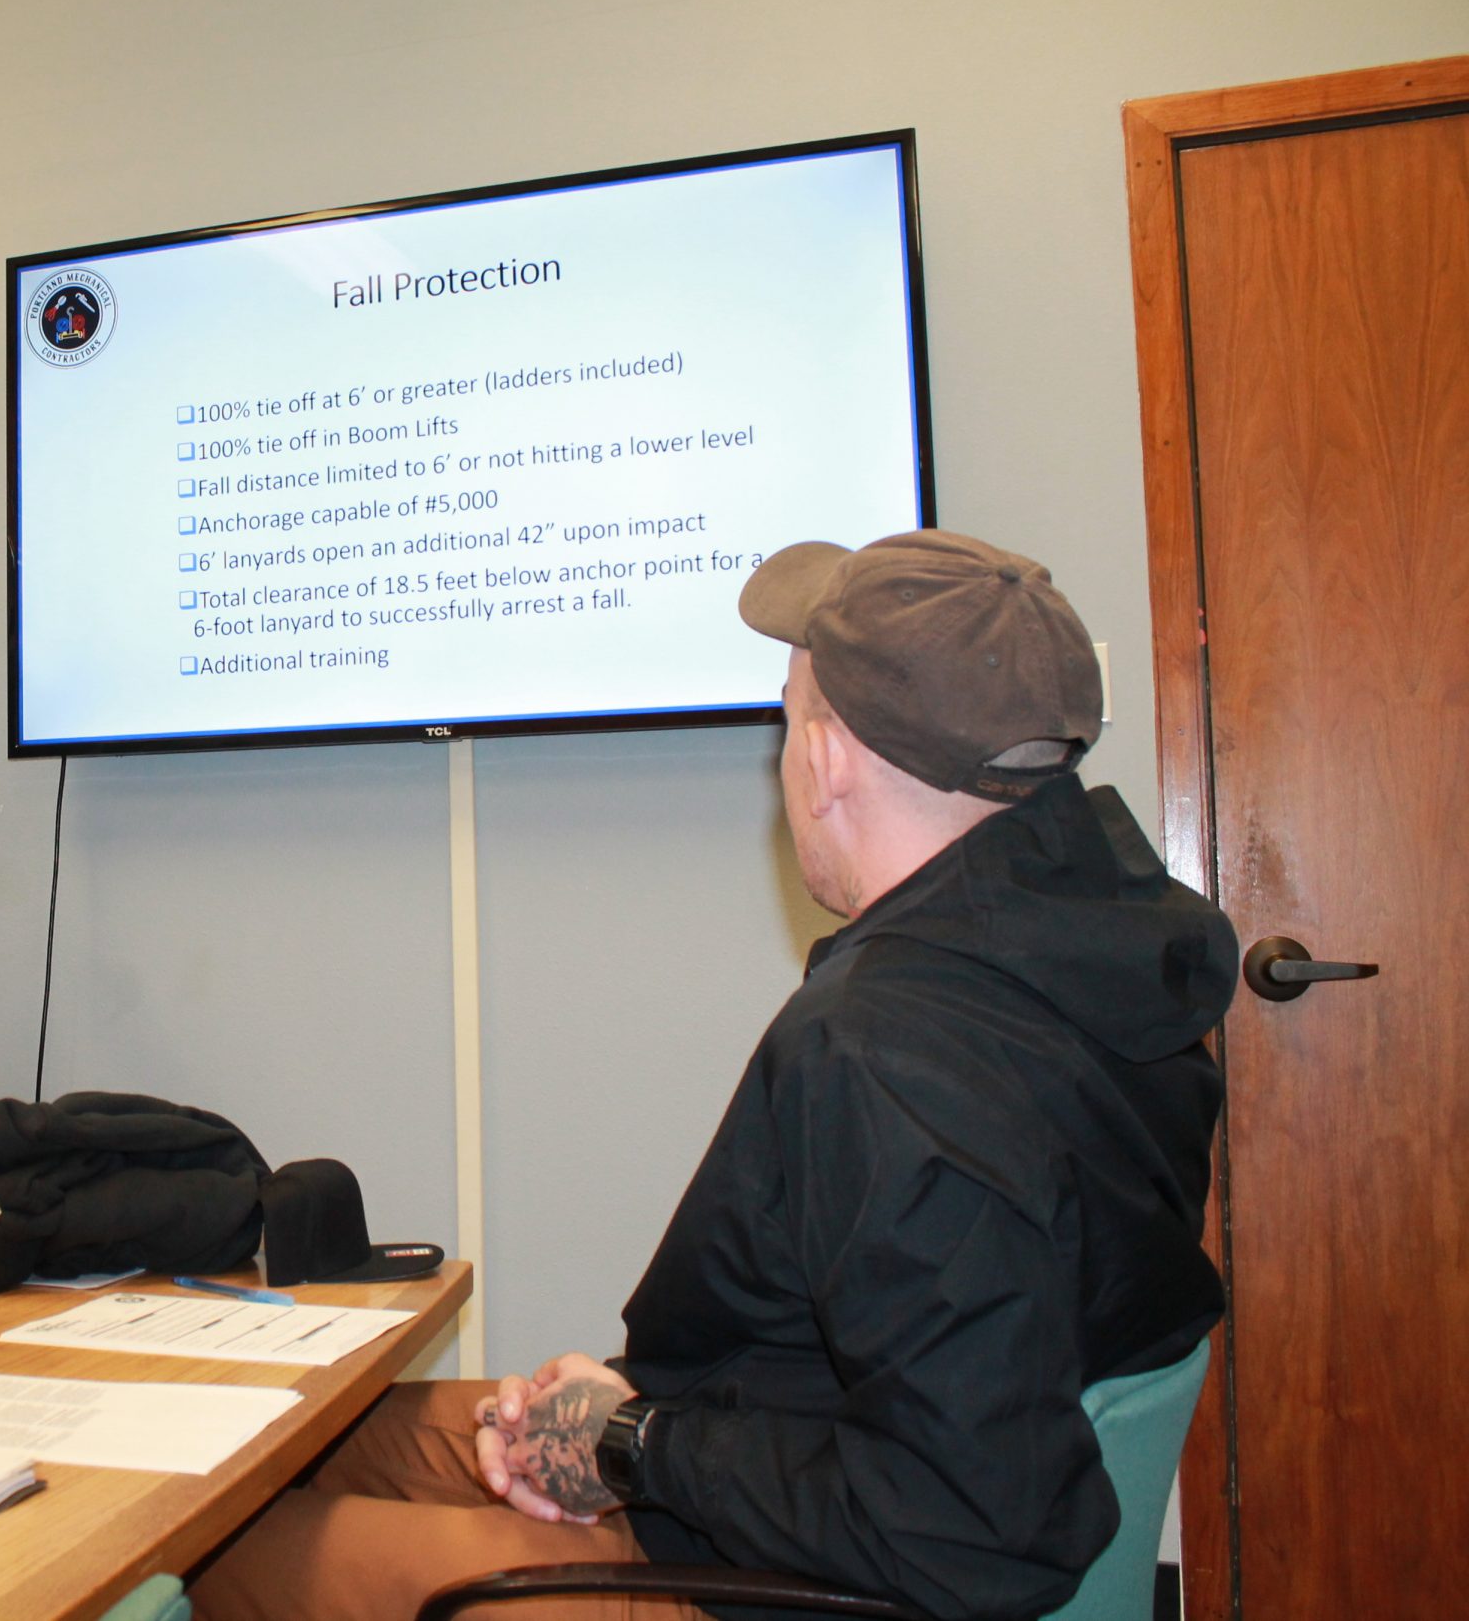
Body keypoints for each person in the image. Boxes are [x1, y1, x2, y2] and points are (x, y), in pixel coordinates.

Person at [192, 530, 1234, 1621]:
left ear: (827, 761)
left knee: (209, 1553)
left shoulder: (888, 1054)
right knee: (283, 1451)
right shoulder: (1113, 958)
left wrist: (636, 1441)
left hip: (782, 1581)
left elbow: (977, 1522)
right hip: (781, 1467)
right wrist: (620, 1421)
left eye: (787, 718)